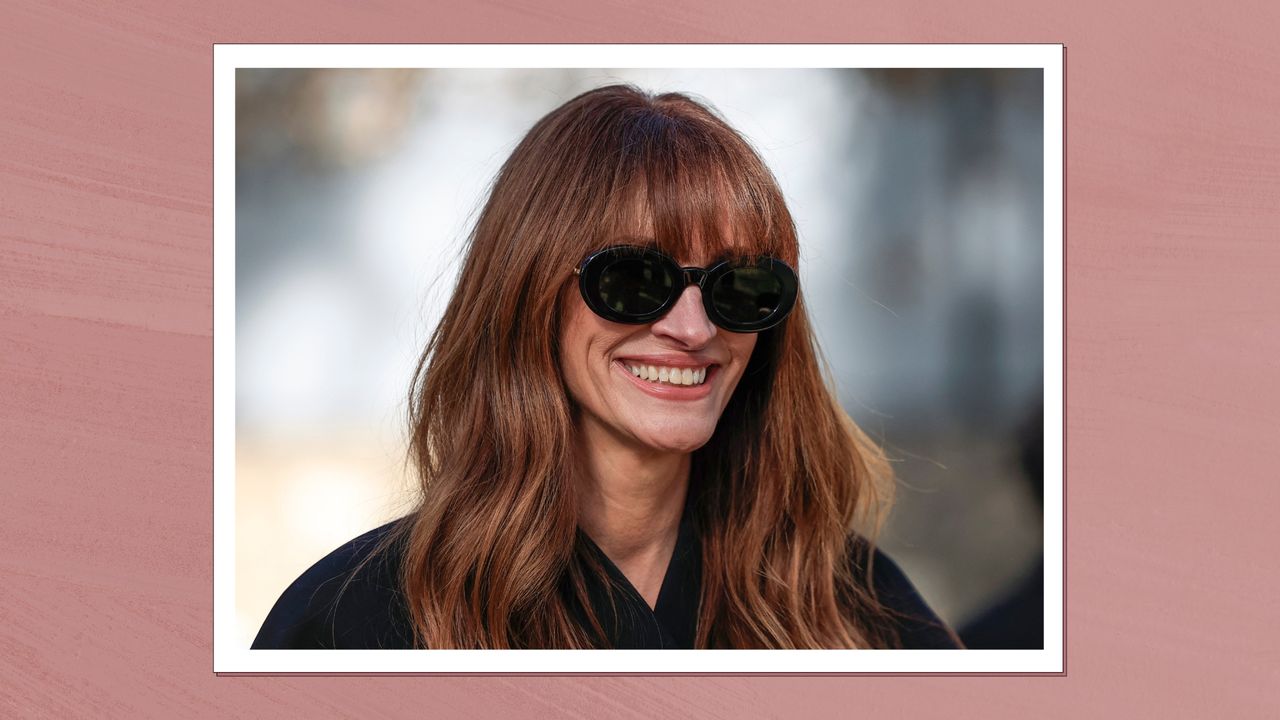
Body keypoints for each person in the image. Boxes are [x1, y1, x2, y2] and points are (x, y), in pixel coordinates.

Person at [253, 84, 960, 650]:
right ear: (529, 295)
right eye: (633, 280)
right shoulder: (356, 625)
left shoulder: (854, 611)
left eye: (740, 287)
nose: (693, 329)